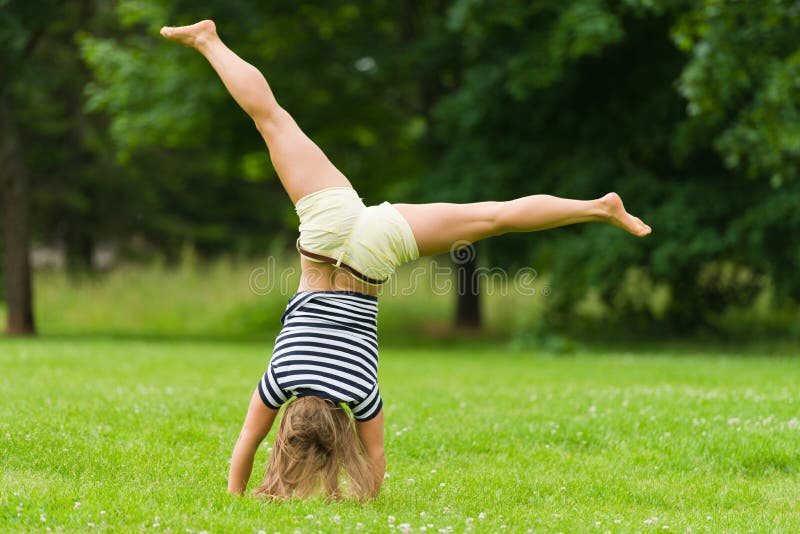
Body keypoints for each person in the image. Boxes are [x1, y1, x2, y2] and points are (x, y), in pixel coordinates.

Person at [159, 20, 652, 501]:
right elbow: (244, 447)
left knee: (492, 218)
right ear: (289, 421)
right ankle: (207, 39)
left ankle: (597, 207)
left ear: (336, 437)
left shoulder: (360, 393)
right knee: (272, 118)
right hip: (325, 234)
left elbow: (375, 463)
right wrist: (234, 495)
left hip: (372, 255)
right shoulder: (279, 381)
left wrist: (362, 498)